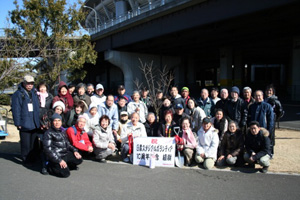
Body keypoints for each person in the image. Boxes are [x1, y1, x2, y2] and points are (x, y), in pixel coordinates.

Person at [11, 75, 40, 164]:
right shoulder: (18, 94)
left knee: (33, 144)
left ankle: (33, 159)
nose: (30, 85)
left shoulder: (34, 93)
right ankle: (26, 159)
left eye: (31, 83)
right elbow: (16, 109)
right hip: (24, 122)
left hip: (34, 122)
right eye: (28, 83)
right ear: (24, 83)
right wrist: (18, 123)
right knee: (25, 144)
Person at [43, 113, 82, 178]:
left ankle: (66, 165)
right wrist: (59, 160)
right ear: (52, 122)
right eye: (55, 121)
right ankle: (50, 167)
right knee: (65, 174)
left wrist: (75, 151)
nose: (57, 123)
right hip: (56, 157)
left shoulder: (62, 131)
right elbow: (48, 150)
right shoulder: (48, 133)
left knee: (79, 159)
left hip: (64, 154)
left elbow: (68, 144)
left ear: (61, 122)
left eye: (59, 121)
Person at [36, 81, 53, 174]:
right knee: (38, 140)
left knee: (46, 141)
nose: (42, 89)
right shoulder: (36, 96)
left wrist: (47, 121)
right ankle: (40, 159)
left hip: (47, 121)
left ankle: (46, 160)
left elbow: (51, 110)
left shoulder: (50, 96)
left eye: (44, 87)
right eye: (40, 87)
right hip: (37, 120)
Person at [265, 84, 284, 154]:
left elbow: (280, 111)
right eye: (267, 90)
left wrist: (275, 118)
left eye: (270, 90)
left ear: (273, 92)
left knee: (271, 136)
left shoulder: (275, 101)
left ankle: (271, 152)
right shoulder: (264, 99)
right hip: (264, 120)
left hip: (271, 121)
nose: (268, 92)